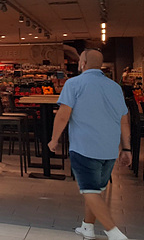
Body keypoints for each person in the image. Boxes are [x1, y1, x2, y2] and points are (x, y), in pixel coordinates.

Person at [48, 49, 132, 240]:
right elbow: (124, 120)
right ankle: (87, 227)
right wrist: (126, 148)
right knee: (95, 190)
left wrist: (54, 139)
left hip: (84, 147)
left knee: (90, 191)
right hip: (109, 149)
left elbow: (63, 116)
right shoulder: (114, 87)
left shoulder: (73, 84)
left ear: (83, 63)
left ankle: (115, 233)